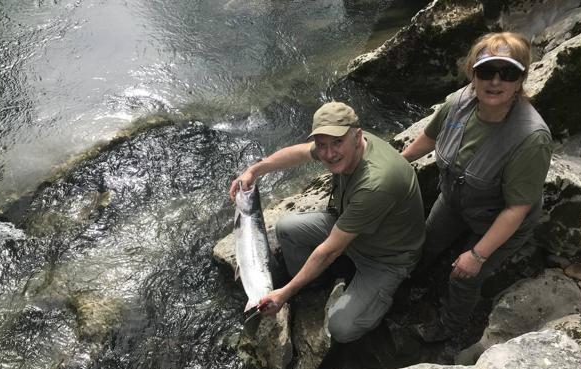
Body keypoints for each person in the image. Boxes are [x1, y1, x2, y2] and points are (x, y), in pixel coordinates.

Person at [229, 101, 425, 343]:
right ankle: (318, 282)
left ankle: (380, 299)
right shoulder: (348, 140)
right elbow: (299, 153)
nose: (330, 154)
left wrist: (285, 293)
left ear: (357, 136)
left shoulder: (376, 183)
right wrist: (254, 171)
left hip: (386, 258)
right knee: (286, 229)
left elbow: (329, 251)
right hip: (353, 230)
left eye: (337, 143)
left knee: (341, 327)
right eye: (322, 145)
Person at [402, 32, 552, 342]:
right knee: (427, 242)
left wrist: (478, 255)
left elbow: (516, 209)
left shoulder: (530, 138)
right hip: (457, 199)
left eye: (508, 72)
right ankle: (412, 286)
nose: (495, 81)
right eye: (486, 71)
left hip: (501, 217)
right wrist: (395, 166)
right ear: (473, 72)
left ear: (521, 79)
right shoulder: (459, 103)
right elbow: (428, 139)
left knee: (463, 277)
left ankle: (450, 328)